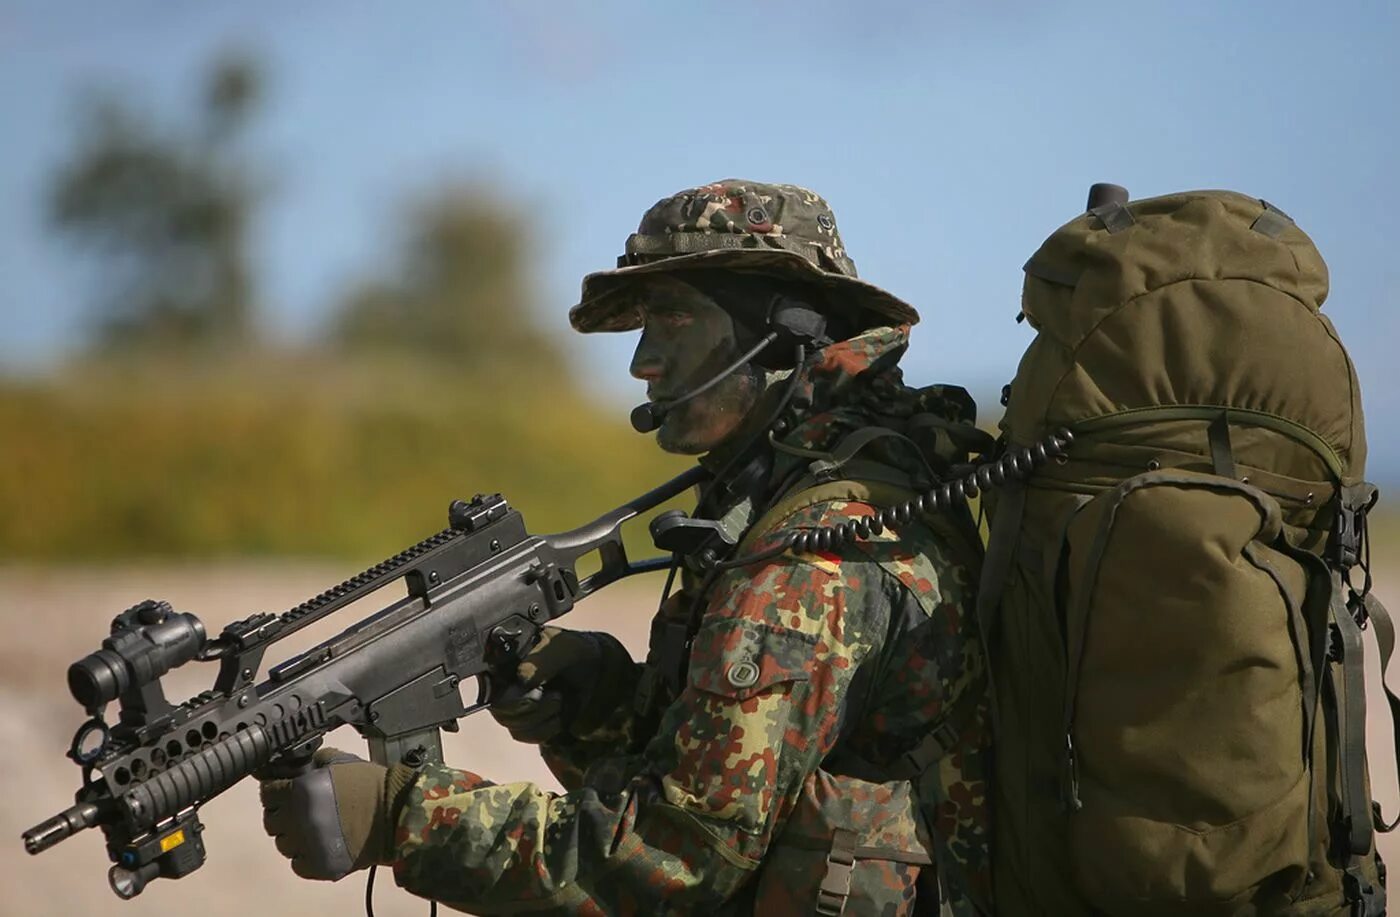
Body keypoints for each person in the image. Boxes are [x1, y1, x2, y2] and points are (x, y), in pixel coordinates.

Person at [259, 180, 992, 915]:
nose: (643, 361)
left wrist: (400, 817)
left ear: (785, 333)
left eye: (674, 318)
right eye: (645, 321)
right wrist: (597, 701)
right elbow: (760, 770)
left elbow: (674, 858)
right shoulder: (855, 475)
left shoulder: (813, 560)